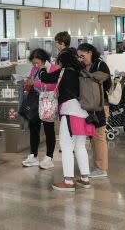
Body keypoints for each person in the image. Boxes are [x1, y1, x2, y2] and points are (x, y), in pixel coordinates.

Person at [38, 35, 93, 192]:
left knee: (67, 146)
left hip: (70, 112)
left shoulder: (65, 72)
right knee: (80, 146)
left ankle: (68, 181)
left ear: (64, 61)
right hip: (83, 113)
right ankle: (84, 179)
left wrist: (42, 68)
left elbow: (46, 78)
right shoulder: (80, 72)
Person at [77, 42, 111, 178]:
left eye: (82, 55)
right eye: (78, 56)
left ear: (90, 52)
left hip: (100, 106)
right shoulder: (83, 67)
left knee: (99, 136)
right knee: (93, 136)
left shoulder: (100, 64)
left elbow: (107, 83)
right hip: (89, 107)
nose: (81, 58)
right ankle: (97, 165)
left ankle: (102, 168)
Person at [21, 48, 57, 169]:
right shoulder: (34, 69)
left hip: (47, 102)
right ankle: (33, 155)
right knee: (33, 128)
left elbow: (53, 86)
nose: (36, 65)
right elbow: (30, 83)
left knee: (48, 130)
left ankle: (49, 157)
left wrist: (35, 83)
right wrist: (27, 83)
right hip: (35, 102)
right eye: (34, 63)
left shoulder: (53, 68)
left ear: (44, 60)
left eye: (38, 63)